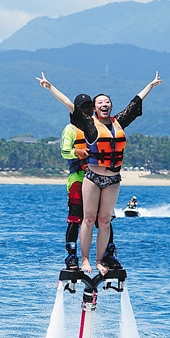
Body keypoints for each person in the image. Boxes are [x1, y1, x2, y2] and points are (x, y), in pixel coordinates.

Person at [37, 71, 162, 274]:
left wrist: (150, 85)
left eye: (107, 102)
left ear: (110, 106)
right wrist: (50, 87)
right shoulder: (89, 124)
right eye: (100, 102)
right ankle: (84, 259)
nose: (104, 104)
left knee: (104, 221)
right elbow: (69, 104)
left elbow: (135, 103)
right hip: (93, 177)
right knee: (88, 219)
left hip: (113, 179)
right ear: (95, 109)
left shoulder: (118, 122)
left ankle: (99, 261)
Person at [58, 93, 120, 270]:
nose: (86, 111)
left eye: (88, 107)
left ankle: (108, 254)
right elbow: (64, 151)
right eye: (82, 108)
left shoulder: (100, 127)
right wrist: (76, 152)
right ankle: (72, 255)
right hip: (78, 178)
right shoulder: (70, 129)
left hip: (100, 179)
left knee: (105, 219)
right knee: (75, 218)